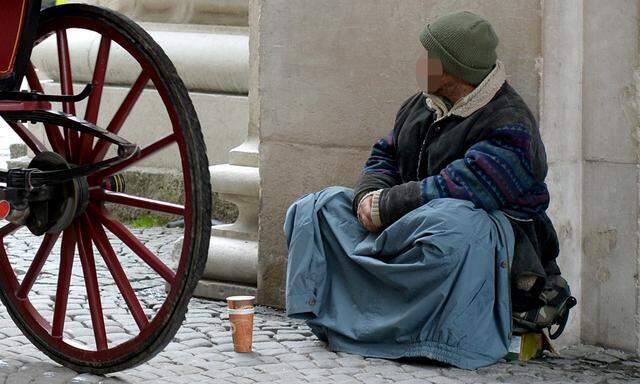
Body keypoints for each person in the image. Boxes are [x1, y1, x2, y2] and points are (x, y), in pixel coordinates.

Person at [284, 11, 572, 369]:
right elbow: (384, 156)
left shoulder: (511, 123)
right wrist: (367, 197)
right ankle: (344, 319)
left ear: (453, 70)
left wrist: (387, 206)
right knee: (317, 207)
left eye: (429, 58)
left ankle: (429, 337)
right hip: (405, 221)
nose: (420, 64)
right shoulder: (421, 105)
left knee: (452, 225)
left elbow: (465, 186)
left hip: (485, 237)